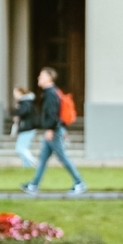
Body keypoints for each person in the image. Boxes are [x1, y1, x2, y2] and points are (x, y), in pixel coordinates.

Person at [21, 67, 86, 195]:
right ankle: (33, 185)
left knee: (63, 157)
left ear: (49, 78)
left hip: (53, 131)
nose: (39, 78)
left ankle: (79, 183)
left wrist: (51, 129)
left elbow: (52, 113)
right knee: (43, 158)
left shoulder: (50, 93)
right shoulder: (53, 92)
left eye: (41, 76)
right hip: (55, 129)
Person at [11, 86, 37, 168]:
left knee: (19, 149)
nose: (14, 95)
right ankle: (27, 166)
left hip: (27, 128)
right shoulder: (27, 102)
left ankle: (33, 161)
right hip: (27, 128)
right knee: (25, 148)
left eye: (15, 93)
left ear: (20, 93)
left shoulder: (25, 103)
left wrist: (18, 111)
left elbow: (23, 112)